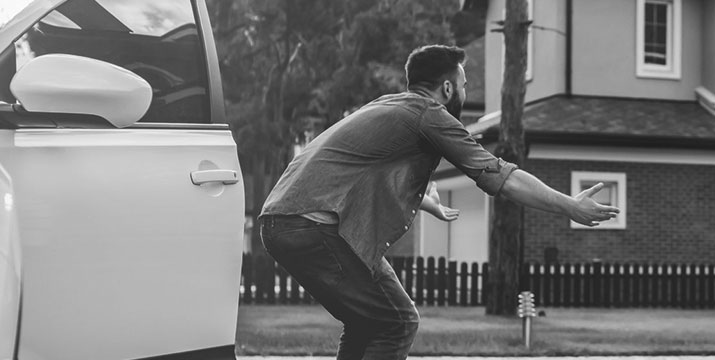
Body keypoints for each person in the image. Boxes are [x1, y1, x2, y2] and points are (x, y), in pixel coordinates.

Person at [258, 44, 619, 360]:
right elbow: (499, 176)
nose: (465, 92)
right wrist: (568, 204)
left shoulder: (390, 106)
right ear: (447, 88)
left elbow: (360, 168)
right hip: (312, 227)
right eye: (464, 86)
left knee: (368, 323)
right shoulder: (430, 114)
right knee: (397, 322)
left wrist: (425, 201)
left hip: (282, 222)